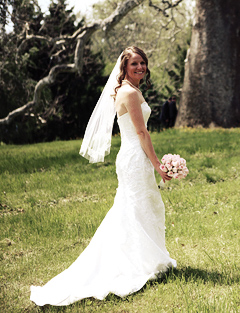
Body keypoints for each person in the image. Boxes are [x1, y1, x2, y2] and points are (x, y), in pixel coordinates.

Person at [30, 46, 177, 306]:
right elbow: (141, 133)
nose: (141, 67)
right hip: (135, 156)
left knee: (140, 208)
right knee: (135, 209)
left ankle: (148, 257)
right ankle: (134, 263)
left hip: (132, 156)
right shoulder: (129, 92)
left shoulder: (127, 89)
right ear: (124, 67)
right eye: (135, 64)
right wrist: (158, 164)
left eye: (143, 63)